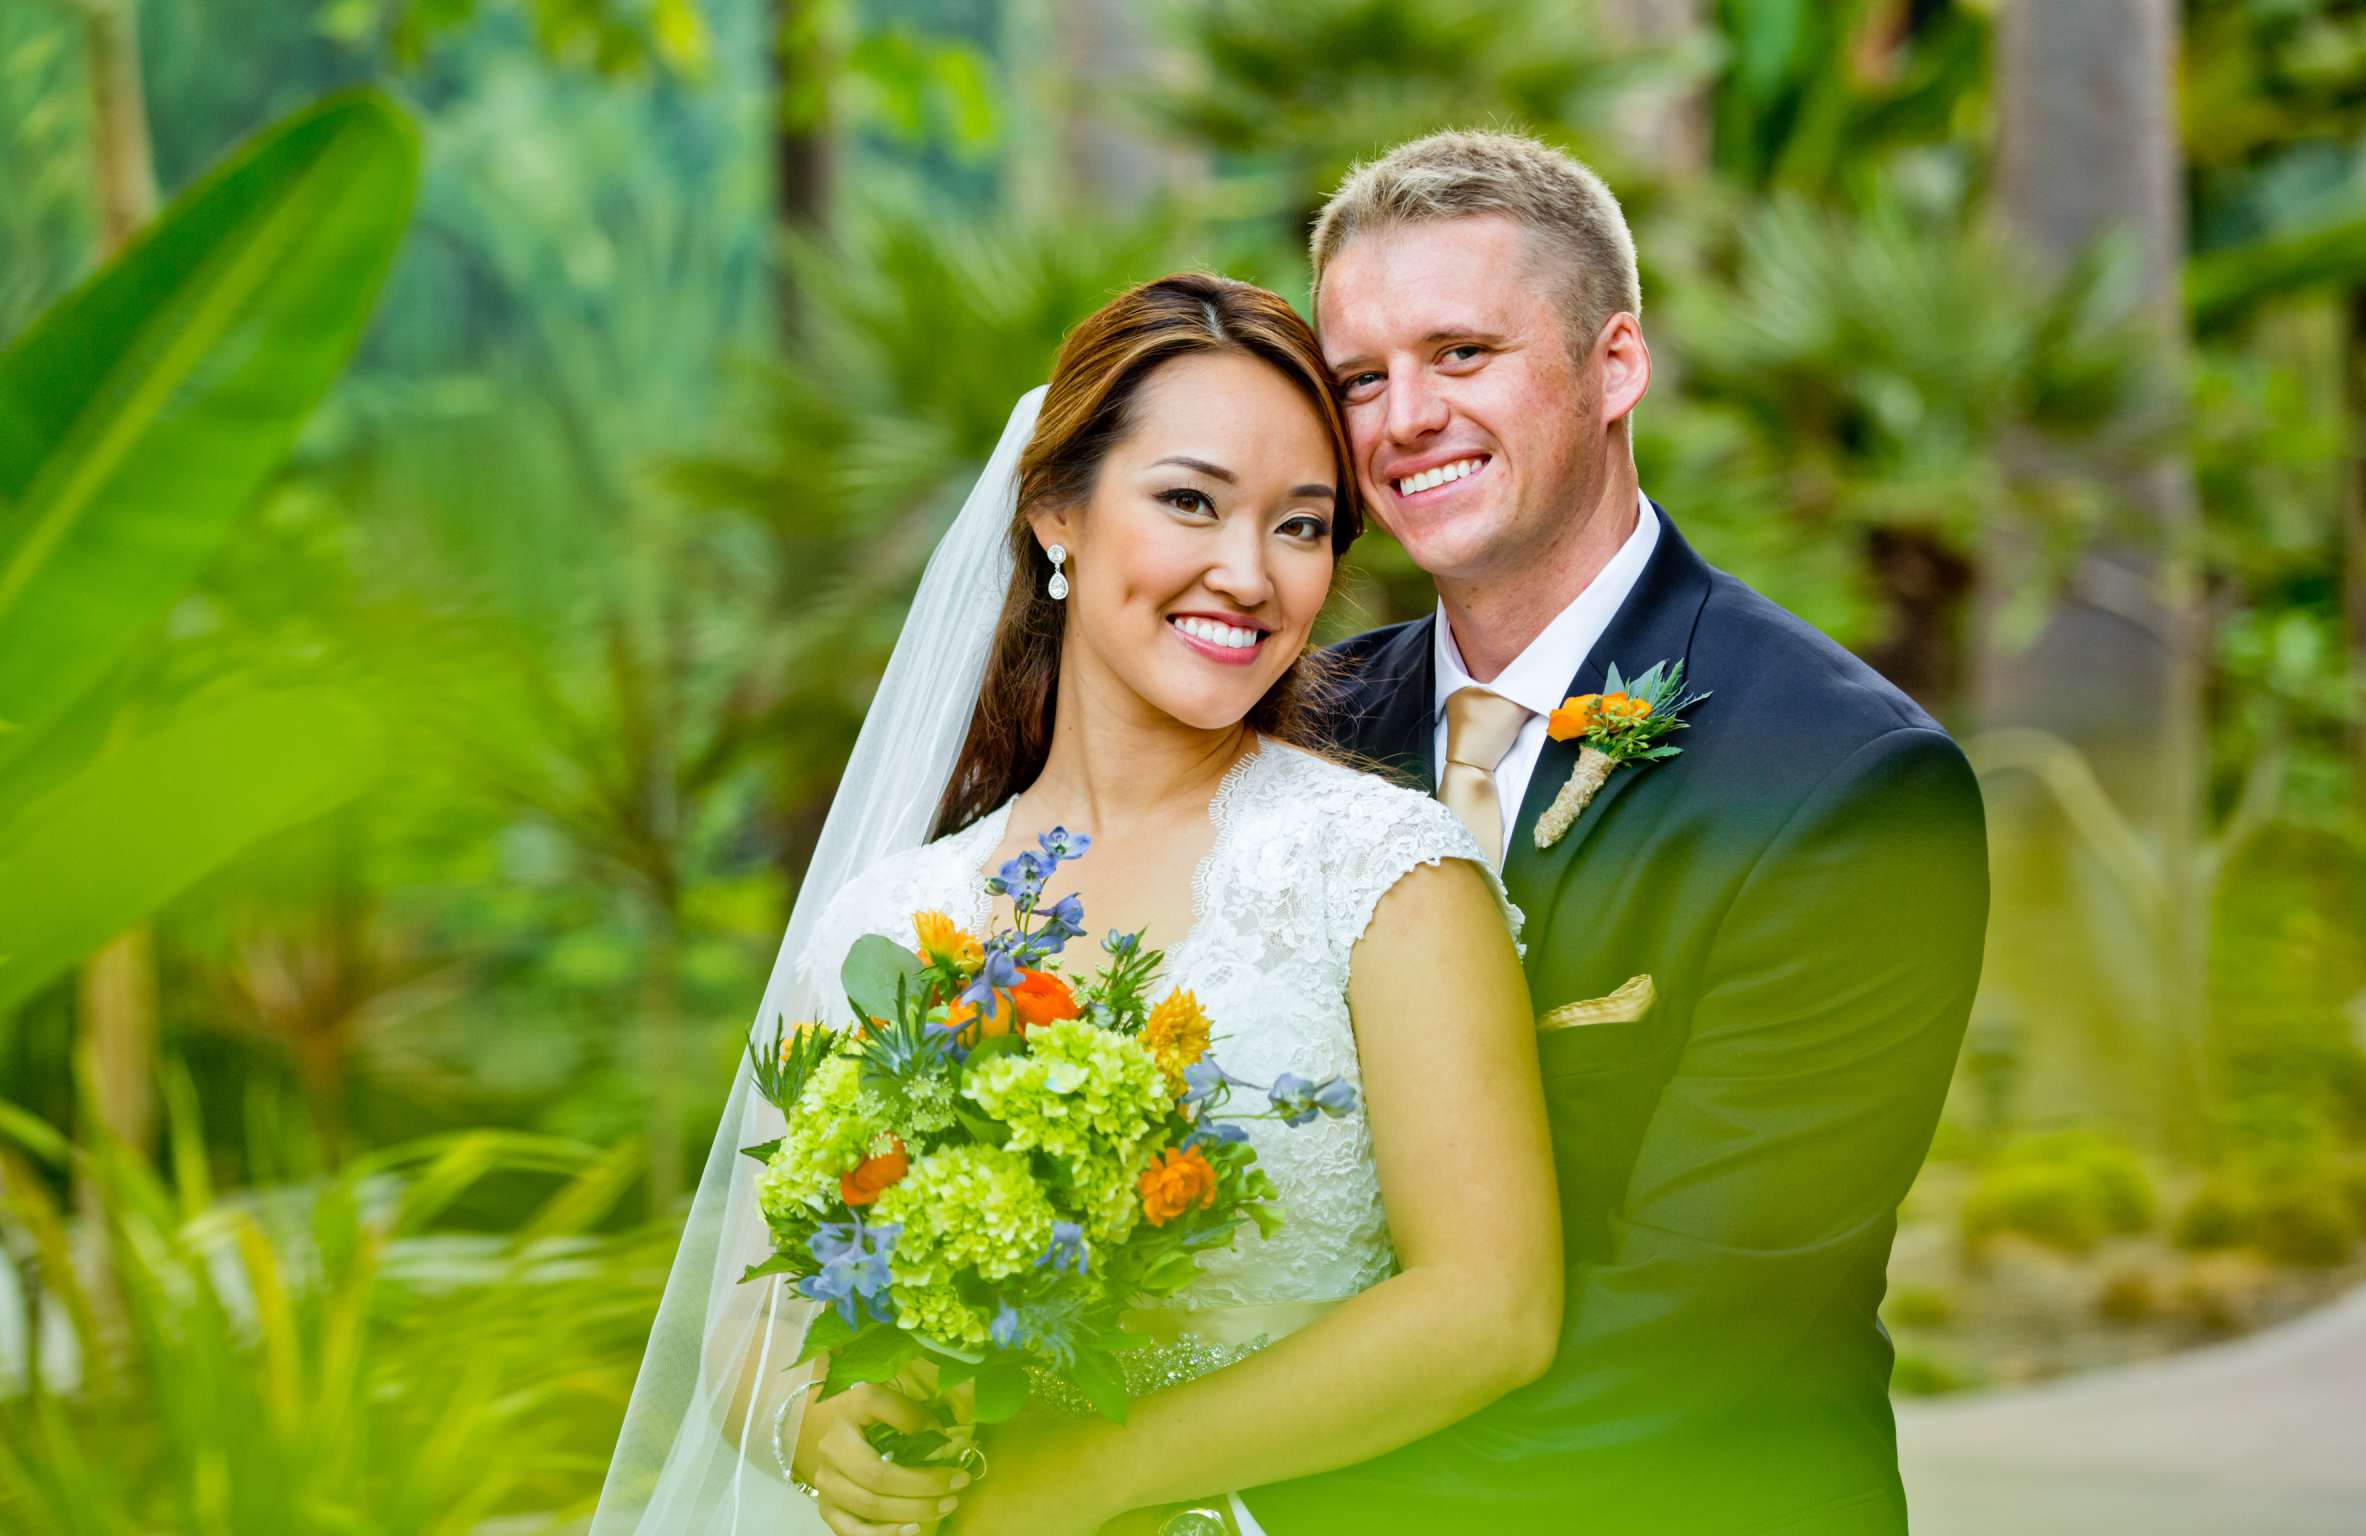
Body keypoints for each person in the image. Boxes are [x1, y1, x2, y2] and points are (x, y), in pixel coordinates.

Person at [593, 272, 1561, 1536]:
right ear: (1056, 512)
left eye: (1301, 525)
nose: (1248, 574)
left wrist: (1090, 1477)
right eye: (1188, 503)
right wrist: (812, 1424)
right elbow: (754, 1299)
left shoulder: (1387, 875)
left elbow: (1492, 1308)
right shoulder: (893, 916)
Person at [1232, 131, 1992, 1536]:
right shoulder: (1294, 733)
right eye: (1359, 378)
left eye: (1462, 354)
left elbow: (1695, 1343)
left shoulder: (1848, 782)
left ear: (1617, 367)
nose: (1403, 419)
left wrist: (1231, 1503)